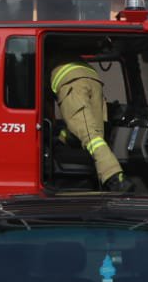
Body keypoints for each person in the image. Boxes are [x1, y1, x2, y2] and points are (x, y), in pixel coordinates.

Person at [49, 59, 127, 193]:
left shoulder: (41, 61)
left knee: (91, 136)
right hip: (92, 77)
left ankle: (115, 177)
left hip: (72, 81)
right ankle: (100, 185)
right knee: (94, 133)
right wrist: (61, 139)